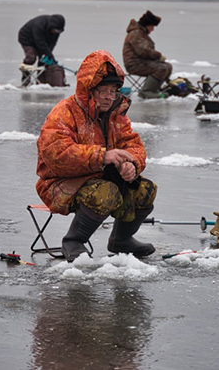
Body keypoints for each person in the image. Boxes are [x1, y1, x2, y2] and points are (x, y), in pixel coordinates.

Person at [36, 50, 158, 262]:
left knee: (145, 190)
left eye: (112, 90)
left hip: (101, 179)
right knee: (105, 192)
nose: (109, 96)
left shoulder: (115, 115)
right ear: (88, 90)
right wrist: (101, 156)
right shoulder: (64, 112)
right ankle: (74, 241)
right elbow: (56, 154)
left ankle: (121, 240)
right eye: (102, 90)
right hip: (60, 183)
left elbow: (134, 145)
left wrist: (132, 165)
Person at [122, 10, 171, 98]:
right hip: (134, 65)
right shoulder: (136, 34)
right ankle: (146, 91)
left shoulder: (141, 33)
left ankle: (155, 89)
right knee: (162, 68)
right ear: (146, 25)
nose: (153, 29)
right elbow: (143, 51)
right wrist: (159, 56)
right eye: (152, 26)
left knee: (168, 66)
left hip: (142, 62)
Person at [18, 14, 66, 87]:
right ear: (51, 26)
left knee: (43, 60)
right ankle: (26, 79)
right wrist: (50, 56)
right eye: (55, 30)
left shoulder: (56, 31)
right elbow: (40, 43)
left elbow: (52, 43)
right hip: (27, 38)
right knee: (31, 57)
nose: (55, 32)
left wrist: (49, 55)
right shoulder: (39, 25)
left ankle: (41, 81)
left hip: (41, 40)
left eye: (58, 31)